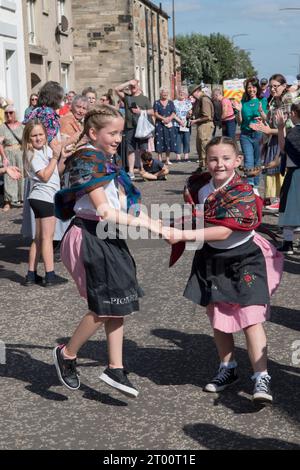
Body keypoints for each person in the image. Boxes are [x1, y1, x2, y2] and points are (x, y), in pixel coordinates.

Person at [53, 105, 165, 397]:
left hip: (107, 237)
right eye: (111, 133)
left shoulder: (104, 159)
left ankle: (115, 368)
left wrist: (152, 221)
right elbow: (105, 211)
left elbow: (120, 204)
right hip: (89, 236)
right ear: (93, 133)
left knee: (119, 302)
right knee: (104, 305)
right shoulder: (88, 160)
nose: (118, 138)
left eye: (120, 132)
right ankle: (66, 354)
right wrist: (155, 227)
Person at [164, 136, 283, 405]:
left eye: (226, 159)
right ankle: (227, 368)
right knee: (218, 316)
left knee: (251, 318)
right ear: (206, 161)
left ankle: (261, 376)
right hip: (212, 259)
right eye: (214, 159)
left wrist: (182, 234)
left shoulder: (244, 192)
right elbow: (200, 216)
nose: (219, 164)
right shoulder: (200, 187)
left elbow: (226, 230)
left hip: (245, 259)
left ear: (238, 161)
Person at [22, 119, 70, 286]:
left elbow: (56, 171)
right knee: (48, 238)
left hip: (41, 198)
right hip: (44, 198)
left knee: (38, 238)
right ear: (28, 138)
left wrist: (61, 158)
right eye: (34, 135)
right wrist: (55, 156)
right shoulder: (32, 153)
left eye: (41, 134)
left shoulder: (45, 150)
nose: (38, 138)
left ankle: (31, 274)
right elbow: (44, 175)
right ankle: (50, 275)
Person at [250, 74, 287, 210]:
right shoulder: (272, 101)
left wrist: (267, 130)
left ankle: (282, 201)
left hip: (282, 143)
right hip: (273, 142)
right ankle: (275, 200)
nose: (272, 89)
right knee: (272, 172)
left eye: (275, 86)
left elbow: (287, 130)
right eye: (270, 86)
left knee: (281, 172)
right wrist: (262, 117)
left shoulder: (286, 102)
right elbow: (271, 122)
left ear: (284, 86)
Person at [115, 79, 154, 180]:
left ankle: (142, 169)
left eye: (134, 86)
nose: (132, 88)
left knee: (142, 150)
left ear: (138, 86)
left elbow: (152, 111)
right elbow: (116, 89)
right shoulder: (127, 98)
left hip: (141, 128)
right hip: (129, 127)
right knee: (130, 150)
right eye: (130, 87)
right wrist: (129, 82)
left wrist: (140, 111)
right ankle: (131, 171)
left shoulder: (144, 98)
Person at [234, 77, 268, 189]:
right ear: (246, 89)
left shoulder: (262, 100)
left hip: (258, 134)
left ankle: (256, 185)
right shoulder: (243, 102)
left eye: (253, 87)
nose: (251, 89)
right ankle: (250, 184)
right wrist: (239, 111)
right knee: (248, 159)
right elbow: (239, 122)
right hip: (245, 135)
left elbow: (266, 118)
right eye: (249, 87)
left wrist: (261, 111)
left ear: (257, 88)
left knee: (257, 160)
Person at [275, 105, 300, 254]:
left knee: (288, 207)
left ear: (293, 113)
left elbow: (284, 147)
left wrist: (280, 128)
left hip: (295, 174)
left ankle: (288, 244)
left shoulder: (294, 132)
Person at [0, 105, 24, 211]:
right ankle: (8, 201)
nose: (8, 115)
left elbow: (26, 141)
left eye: (11, 113)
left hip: (20, 152)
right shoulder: (2, 127)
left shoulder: (22, 126)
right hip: (8, 152)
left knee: (21, 175)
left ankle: (21, 198)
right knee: (8, 177)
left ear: (15, 114)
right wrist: (3, 157)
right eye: (6, 113)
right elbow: (0, 143)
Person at [189, 83, 214, 171]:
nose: (192, 96)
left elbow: (207, 116)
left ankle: (205, 167)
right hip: (201, 125)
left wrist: (195, 121)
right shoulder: (199, 100)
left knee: (204, 146)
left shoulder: (204, 100)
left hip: (205, 125)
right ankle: (201, 166)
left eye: (192, 94)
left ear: (196, 91)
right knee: (199, 147)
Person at [153, 88, 177, 165]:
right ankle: (159, 159)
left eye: (166, 92)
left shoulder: (171, 102)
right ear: (160, 93)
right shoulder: (156, 102)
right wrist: (163, 118)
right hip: (159, 124)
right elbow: (155, 113)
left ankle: (167, 159)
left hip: (169, 124)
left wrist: (169, 118)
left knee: (168, 140)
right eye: (163, 92)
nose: (165, 94)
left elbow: (174, 112)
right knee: (159, 141)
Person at [173, 88, 192, 161]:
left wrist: (188, 116)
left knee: (186, 140)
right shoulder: (174, 102)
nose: (182, 94)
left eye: (183, 92)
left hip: (186, 124)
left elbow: (190, 113)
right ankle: (178, 156)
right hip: (177, 123)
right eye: (180, 92)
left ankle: (186, 156)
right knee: (177, 140)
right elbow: (173, 114)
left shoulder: (188, 102)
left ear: (186, 94)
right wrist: (179, 121)